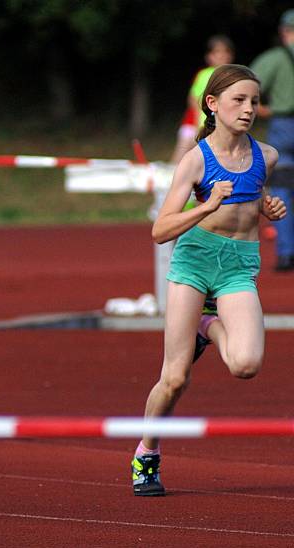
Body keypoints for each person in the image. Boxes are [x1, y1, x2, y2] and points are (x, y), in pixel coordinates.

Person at [131, 65, 286, 497]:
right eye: (238, 100)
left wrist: (265, 209)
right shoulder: (196, 159)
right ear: (212, 104)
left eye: (254, 101)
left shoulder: (267, 156)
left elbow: (249, 202)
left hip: (238, 266)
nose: (249, 109)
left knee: (246, 365)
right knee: (175, 377)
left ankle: (207, 325)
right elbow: (160, 230)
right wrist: (206, 205)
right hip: (194, 264)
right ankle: (147, 453)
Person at [251, 9, 294, 270]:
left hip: (284, 125)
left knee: (282, 188)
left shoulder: (275, 59)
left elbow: (246, 84)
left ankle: (287, 252)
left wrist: (261, 108)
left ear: (284, 31)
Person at [170, 35, 235, 164]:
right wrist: (197, 124)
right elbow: (193, 99)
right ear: (209, 57)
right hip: (198, 124)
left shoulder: (232, 76)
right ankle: (169, 179)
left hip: (221, 127)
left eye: (225, 52)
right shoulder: (204, 75)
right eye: (217, 52)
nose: (221, 56)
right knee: (182, 154)